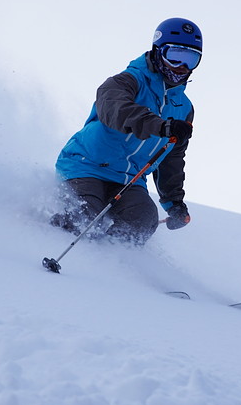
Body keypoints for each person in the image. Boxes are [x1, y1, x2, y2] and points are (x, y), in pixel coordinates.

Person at [50, 17, 202, 245]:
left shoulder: (185, 108)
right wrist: (159, 125)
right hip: (85, 166)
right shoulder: (127, 81)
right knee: (85, 216)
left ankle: (109, 270)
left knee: (143, 221)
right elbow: (115, 109)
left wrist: (174, 203)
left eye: (191, 59)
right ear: (158, 52)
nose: (182, 67)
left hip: (129, 180)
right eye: (175, 56)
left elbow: (171, 156)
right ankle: (45, 238)